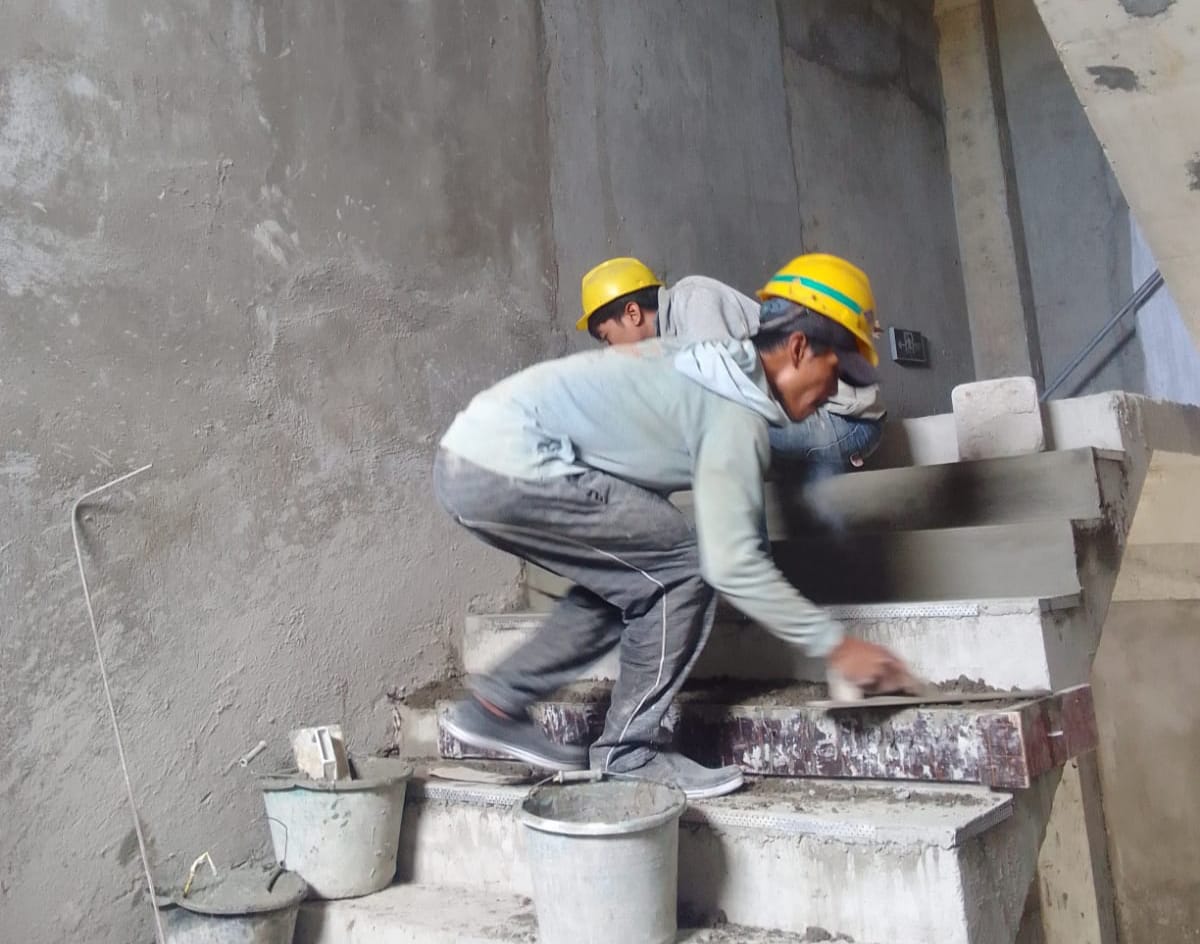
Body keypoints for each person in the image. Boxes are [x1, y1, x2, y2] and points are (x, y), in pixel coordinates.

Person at [433, 258, 912, 799]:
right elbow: (728, 563)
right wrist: (837, 646)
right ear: (798, 348)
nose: (833, 392)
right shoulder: (733, 410)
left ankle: (495, 704)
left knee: (634, 576)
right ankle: (628, 753)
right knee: (682, 567)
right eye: (837, 370)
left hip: (472, 461)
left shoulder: (701, 365)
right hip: (513, 464)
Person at [577, 255, 886, 478]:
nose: (611, 349)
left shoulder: (692, 301)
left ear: (632, 313)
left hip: (849, 422)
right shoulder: (666, 346)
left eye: (607, 338)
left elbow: (722, 402)